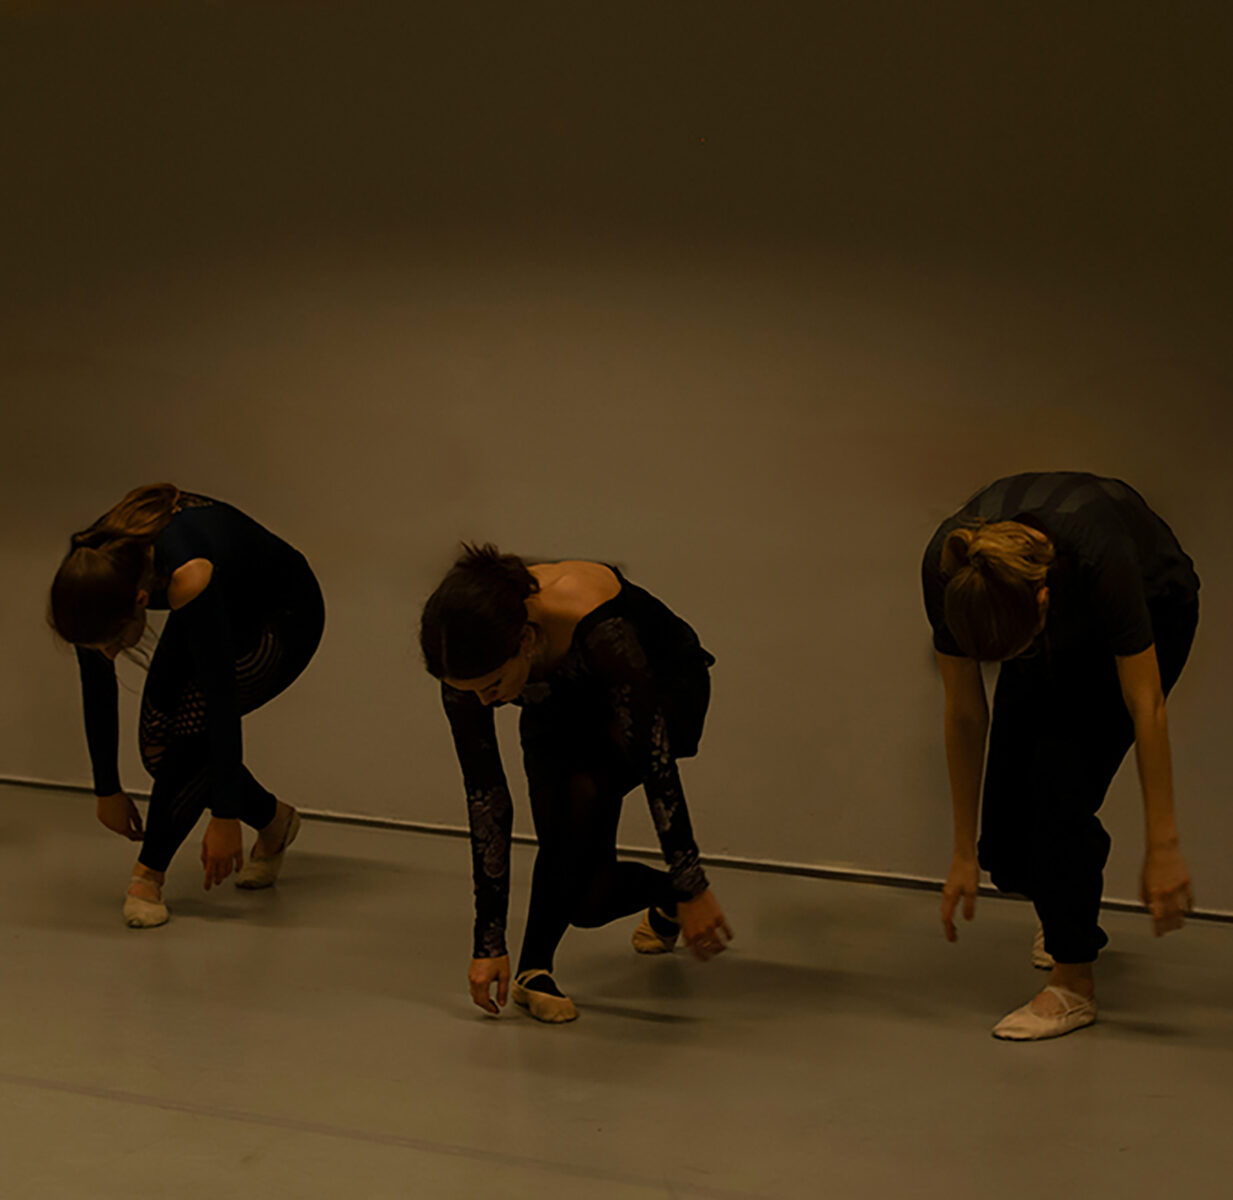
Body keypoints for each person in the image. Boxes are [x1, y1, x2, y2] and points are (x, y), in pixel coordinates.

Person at [922, 471, 1199, 1039]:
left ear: (1045, 604)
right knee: (1003, 846)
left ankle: (1074, 985)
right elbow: (966, 712)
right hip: (1030, 594)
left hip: (1155, 606)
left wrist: (1164, 845)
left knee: (1057, 793)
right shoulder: (952, 568)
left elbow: (1145, 705)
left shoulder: (1101, 556)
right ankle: (1066, 893)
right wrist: (961, 852)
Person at [420, 545, 730, 1023]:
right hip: (556, 693)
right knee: (585, 899)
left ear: (525, 640)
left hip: (661, 688)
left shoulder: (603, 630)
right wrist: (488, 944)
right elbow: (487, 798)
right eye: (471, 691)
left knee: (578, 806)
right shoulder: (470, 655)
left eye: (492, 686)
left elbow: (654, 762)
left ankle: (534, 968)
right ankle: (652, 903)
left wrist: (693, 882)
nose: (483, 703)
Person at [49, 484, 325, 927]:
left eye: (114, 643)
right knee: (158, 746)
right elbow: (96, 682)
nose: (109, 655)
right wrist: (107, 788)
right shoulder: (89, 568)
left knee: (189, 734)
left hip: (282, 614)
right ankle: (275, 821)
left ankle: (147, 875)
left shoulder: (187, 573)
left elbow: (220, 698)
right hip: (223, 603)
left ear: (140, 601)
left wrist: (225, 815)